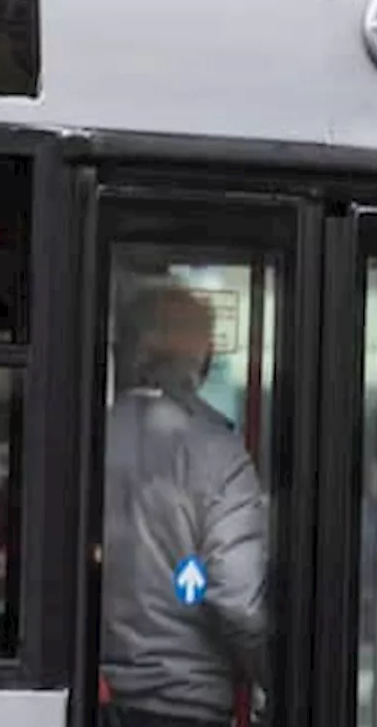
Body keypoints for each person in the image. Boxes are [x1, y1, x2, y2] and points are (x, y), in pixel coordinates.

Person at [99, 283, 268, 727]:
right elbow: (240, 601)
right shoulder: (219, 454)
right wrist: (273, 676)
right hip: (187, 706)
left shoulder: (82, 439)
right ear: (204, 359)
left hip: (93, 699)